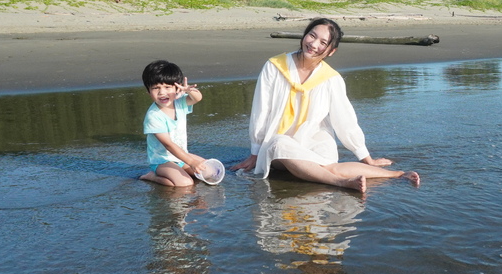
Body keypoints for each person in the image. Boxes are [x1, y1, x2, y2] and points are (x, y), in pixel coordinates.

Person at [230, 18, 419, 193]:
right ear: (305, 35)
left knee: (329, 164)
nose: (313, 44)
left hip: (313, 139)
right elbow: (261, 110)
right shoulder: (275, 66)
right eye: (312, 35)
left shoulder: (331, 79)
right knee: (280, 145)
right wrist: (255, 153)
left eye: (323, 42)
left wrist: (366, 157)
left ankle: (397, 175)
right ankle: (340, 182)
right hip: (278, 142)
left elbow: (344, 119)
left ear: (331, 51)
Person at [139, 59, 207, 187]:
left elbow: (197, 98)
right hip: (162, 161)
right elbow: (168, 144)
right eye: (156, 88)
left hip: (181, 156)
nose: (162, 92)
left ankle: (182, 170)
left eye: (167, 87)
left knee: (209, 172)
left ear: (177, 88)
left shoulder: (179, 102)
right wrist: (191, 162)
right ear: (148, 91)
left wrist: (188, 90)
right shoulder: (153, 116)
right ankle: (152, 176)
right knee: (185, 184)